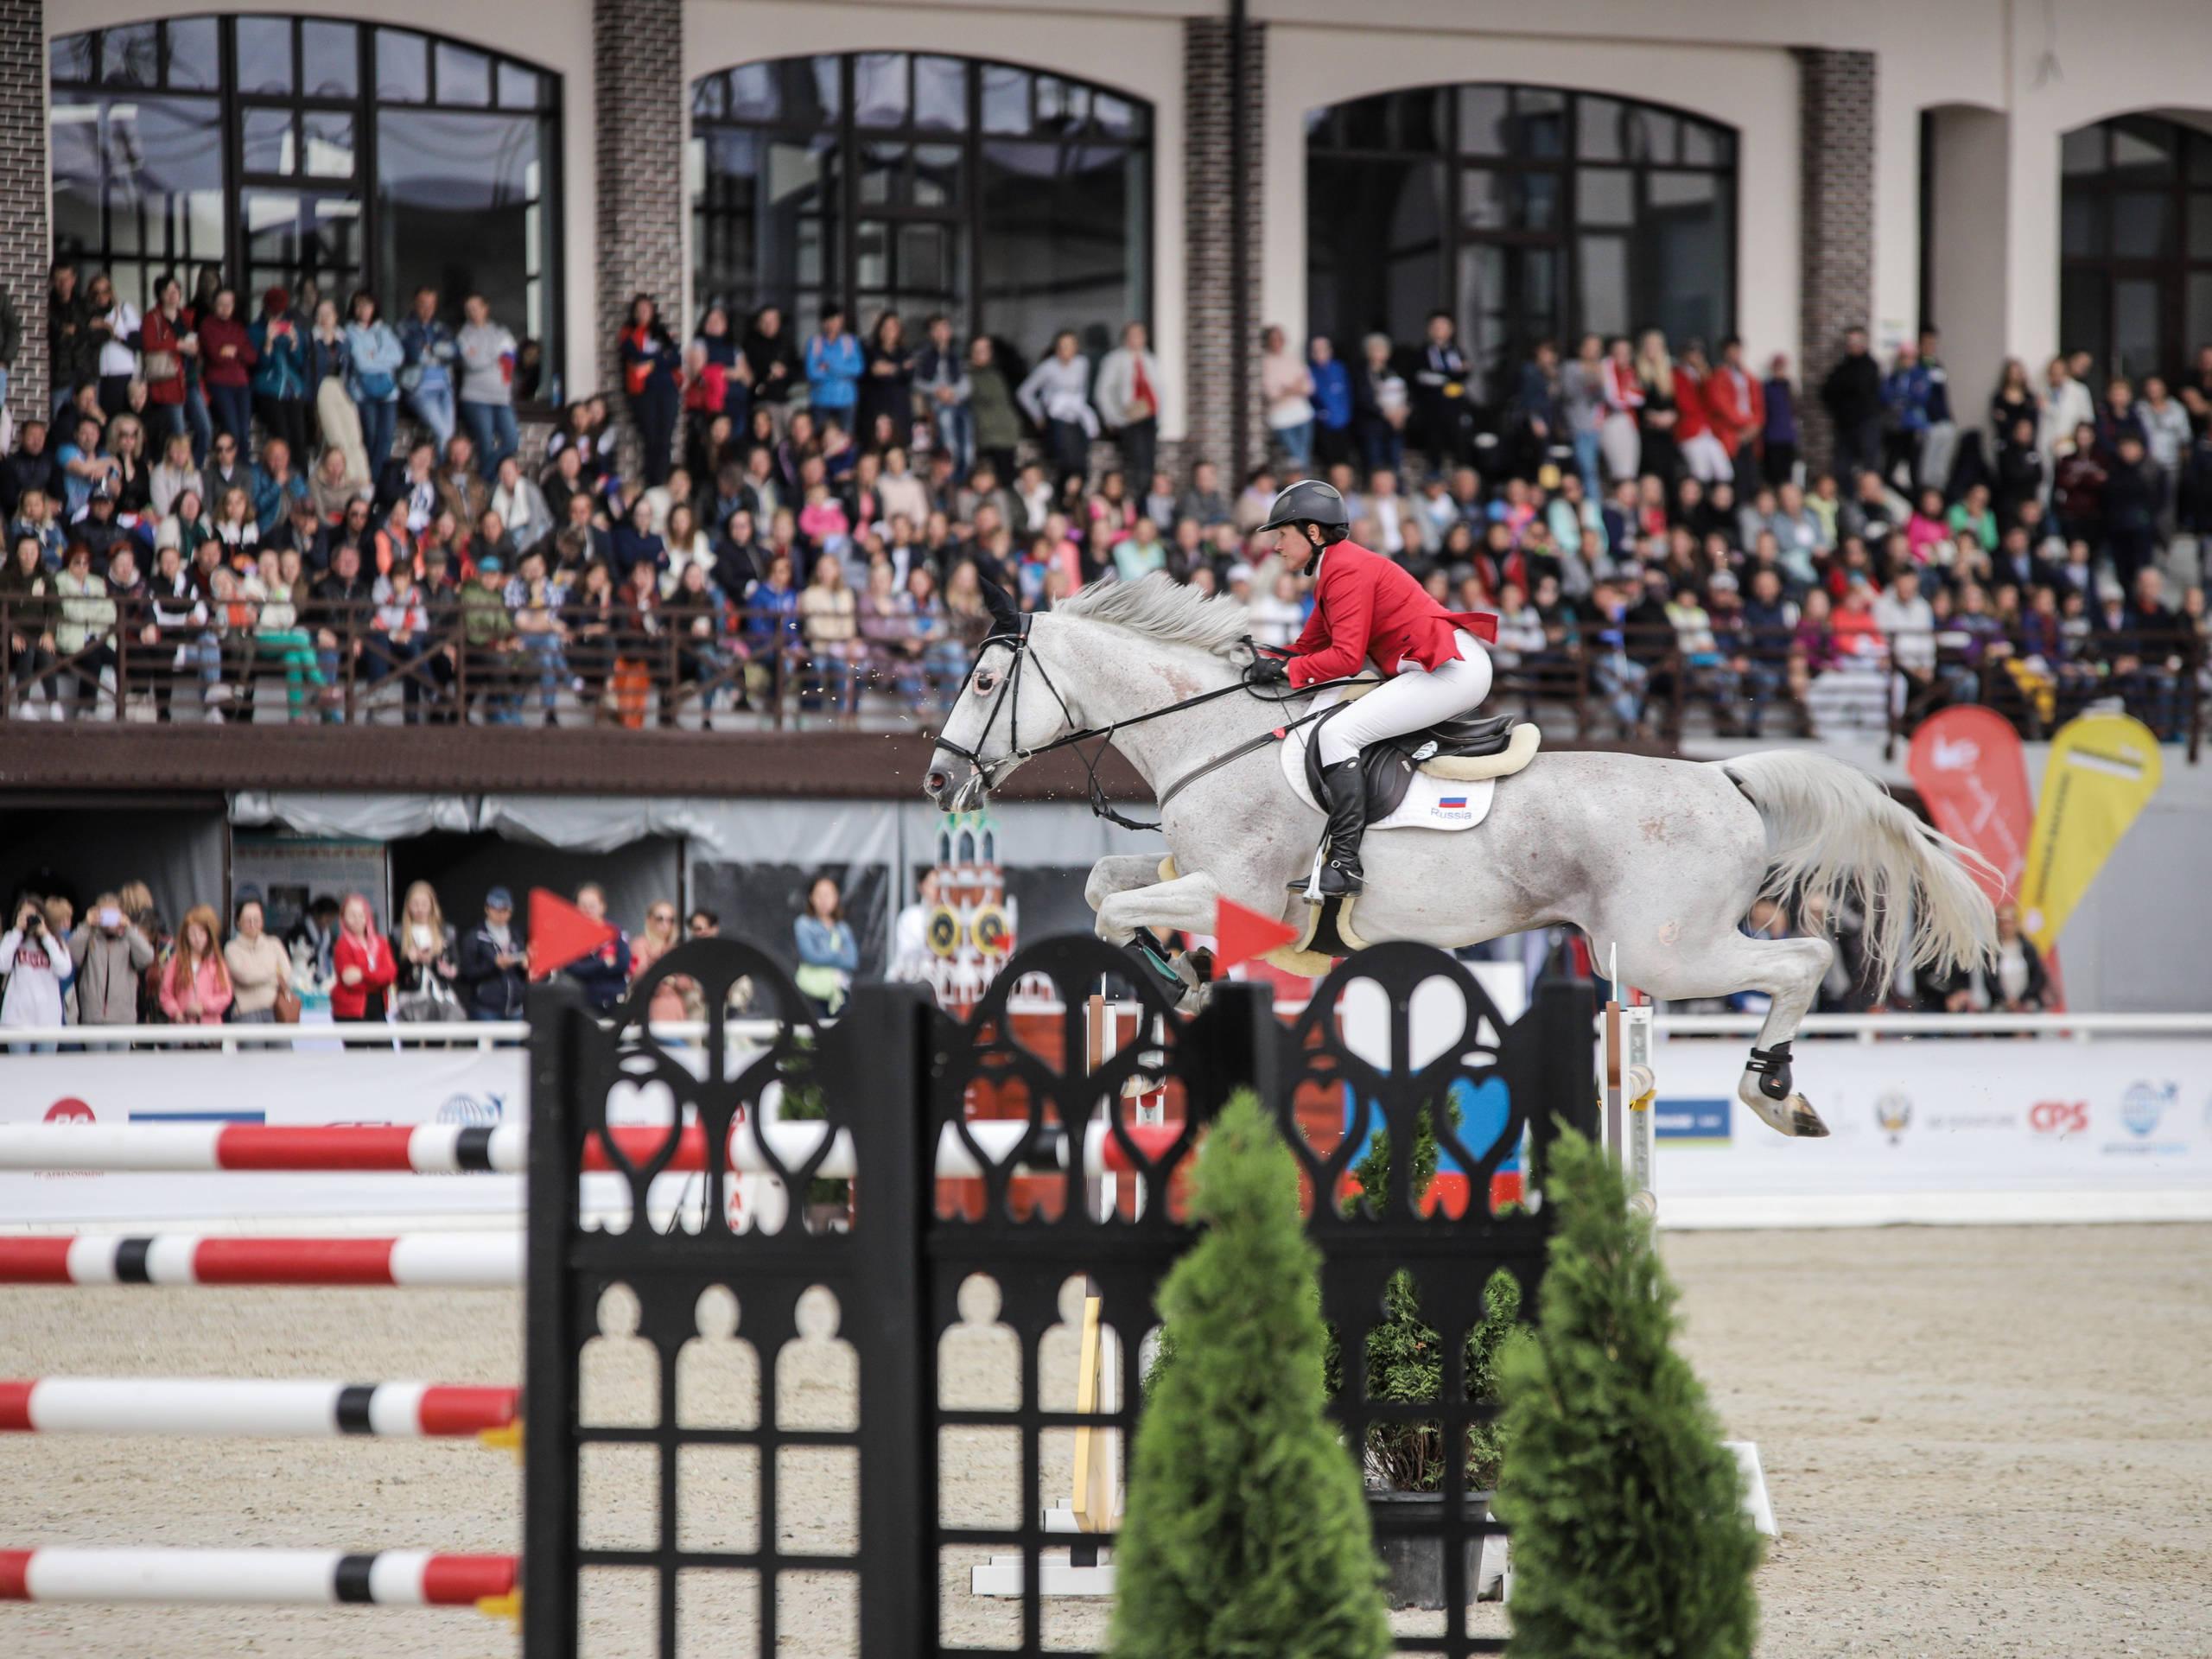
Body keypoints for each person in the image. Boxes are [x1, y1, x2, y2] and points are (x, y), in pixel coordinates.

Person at [1245, 480, 1497, 898]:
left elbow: (1344, 658)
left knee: (1337, 732)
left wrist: (1286, 671)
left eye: (1282, 534)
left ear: (1312, 532)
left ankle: (1344, 864)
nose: (1276, 546)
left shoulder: (1345, 569)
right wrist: (1260, 659)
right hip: (1435, 667)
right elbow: (1307, 649)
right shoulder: (1334, 569)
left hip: (1449, 671)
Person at [1017, 330, 1097, 488]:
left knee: (1081, 466)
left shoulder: (1082, 364)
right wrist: (1038, 416)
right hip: (1056, 418)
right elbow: (1024, 392)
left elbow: (1083, 390)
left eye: (1070, 346)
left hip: (1076, 419)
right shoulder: (1047, 367)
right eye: (1062, 346)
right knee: (1066, 463)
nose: (1066, 350)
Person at [344, 290, 404, 484]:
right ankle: (370, 479)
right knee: (370, 437)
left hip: (388, 392)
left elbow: (399, 357)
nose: (363, 310)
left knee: (386, 437)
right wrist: (382, 359)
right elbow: (361, 364)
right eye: (359, 305)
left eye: (367, 305)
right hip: (363, 393)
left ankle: (375, 481)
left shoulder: (384, 331)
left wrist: (374, 357)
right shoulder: (349, 332)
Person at [457, 294, 518, 481]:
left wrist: (484, 355)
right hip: (475, 398)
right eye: (468, 310)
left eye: (476, 308)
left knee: (511, 441)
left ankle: (482, 479)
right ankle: (487, 486)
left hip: (501, 398)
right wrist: (495, 355)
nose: (472, 313)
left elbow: (510, 358)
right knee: (485, 444)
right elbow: (471, 363)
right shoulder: (463, 335)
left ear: (485, 308)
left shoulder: (500, 332)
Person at [1094, 321, 1160, 490]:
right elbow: (1103, 392)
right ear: (1125, 339)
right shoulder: (1114, 359)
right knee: (1138, 465)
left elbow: (1159, 389)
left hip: (1149, 417)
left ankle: (1145, 504)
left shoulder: (1150, 360)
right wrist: (1112, 417)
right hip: (1129, 418)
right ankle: (1138, 507)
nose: (1137, 339)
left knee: (1149, 463)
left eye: (1140, 335)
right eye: (1133, 335)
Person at [70, 892, 153, 1027]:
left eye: (113, 915)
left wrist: (129, 928)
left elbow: (147, 958)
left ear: (121, 914)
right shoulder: (89, 937)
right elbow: (72, 955)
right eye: (104, 915)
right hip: (93, 1016)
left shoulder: (128, 938)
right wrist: (86, 925)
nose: (109, 921)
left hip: (123, 1016)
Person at [0, 893, 73, 1046]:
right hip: (17, 1019)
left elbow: (64, 970)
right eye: (25, 915)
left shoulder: (55, 941)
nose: (30, 920)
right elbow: (2, 965)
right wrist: (17, 933)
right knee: (20, 1068)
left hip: (48, 1019)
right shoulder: (12, 938)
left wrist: (46, 936)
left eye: (34, 915)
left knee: (46, 1068)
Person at [398, 287, 459, 454]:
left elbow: (455, 351)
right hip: (420, 389)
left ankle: (444, 475)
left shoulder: (440, 328)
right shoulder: (404, 327)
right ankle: (442, 477)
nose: (427, 309)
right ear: (414, 304)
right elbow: (414, 355)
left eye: (432, 305)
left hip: (445, 388)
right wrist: (438, 352)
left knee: (449, 435)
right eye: (423, 304)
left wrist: (430, 349)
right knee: (443, 433)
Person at [455, 887, 529, 1020]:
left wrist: (524, 967)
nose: (501, 915)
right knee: (487, 1041)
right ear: (487, 909)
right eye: (496, 909)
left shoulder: (516, 936)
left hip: (514, 1008)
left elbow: (523, 974)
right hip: (486, 1009)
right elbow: (465, 974)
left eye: (505, 910)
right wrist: (494, 965)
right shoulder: (475, 937)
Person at [390, 880, 460, 1020]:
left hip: (439, 998)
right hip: (410, 999)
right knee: (412, 1039)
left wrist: (436, 962)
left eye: (424, 904)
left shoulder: (446, 932)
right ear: (408, 906)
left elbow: (455, 967)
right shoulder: (398, 934)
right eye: (415, 904)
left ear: (432, 905)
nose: (420, 909)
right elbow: (393, 972)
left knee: (439, 1038)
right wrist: (409, 961)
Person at [794, 874, 858, 1017]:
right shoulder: (803, 924)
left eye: (828, 895)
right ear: (811, 898)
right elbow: (811, 957)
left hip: (839, 992)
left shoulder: (843, 928)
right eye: (819, 895)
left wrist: (823, 954)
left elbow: (851, 961)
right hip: (811, 992)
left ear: (836, 898)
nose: (824, 900)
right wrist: (837, 954)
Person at [157, 904, 232, 1025]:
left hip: (209, 1031)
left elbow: (225, 995)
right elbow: (165, 994)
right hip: (182, 1029)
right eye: (192, 933)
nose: (197, 938)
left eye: (202, 932)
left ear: (210, 934)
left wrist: (204, 1007)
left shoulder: (217, 962)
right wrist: (175, 1012)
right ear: (185, 935)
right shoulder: (176, 961)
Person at [563, 883, 632, 1010]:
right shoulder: (571, 938)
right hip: (583, 1004)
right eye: (583, 905)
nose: (588, 910)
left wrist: (589, 967)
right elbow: (573, 969)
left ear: (602, 907)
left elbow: (623, 963)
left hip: (614, 1002)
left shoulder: (615, 933)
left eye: (592, 905)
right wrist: (603, 964)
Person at [224, 897, 292, 1023]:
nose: (252, 923)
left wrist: (257, 976)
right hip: (247, 1012)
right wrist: (273, 974)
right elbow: (245, 977)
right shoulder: (231, 949)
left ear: (262, 921)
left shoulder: (274, 944)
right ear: (238, 922)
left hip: (276, 1008)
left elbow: (286, 974)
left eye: (256, 919)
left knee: (283, 1044)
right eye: (247, 920)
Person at [330, 893, 396, 1021]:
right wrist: (377, 979)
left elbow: (390, 975)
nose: (357, 919)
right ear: (343, 918)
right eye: (352, 915)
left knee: (385, 1042)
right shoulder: (342, 946)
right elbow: (350, 982)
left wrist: (362, 974)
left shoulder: (381, 943)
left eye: (361, 914)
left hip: (378, 1005)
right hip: (349, 1010)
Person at [1260, 324, 1315, 472]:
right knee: (1297, 456)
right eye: (1273, 339)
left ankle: (1304, 486)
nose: (1276, 342)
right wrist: (1294, 387)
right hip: (1280, 418)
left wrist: (1287, 388)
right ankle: (1304, 486)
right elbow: (1271, 393)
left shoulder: (1293, 359)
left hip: (1302, 414)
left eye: (1279, 339)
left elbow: (1309, 386)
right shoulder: (1265, 363)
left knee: (1303, 456)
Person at [804, 302, 861, 429]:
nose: (832, 324)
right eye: (828, 321)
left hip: (846, 400)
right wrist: (843, 369)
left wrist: (829, 366)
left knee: (845, 439)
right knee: (820, 438)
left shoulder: (850, 342)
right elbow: (811, 373)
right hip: (821, 401)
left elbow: (857, 369)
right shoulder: (814, 343)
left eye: (835, 319)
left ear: (841, 320)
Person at [888, 868, 939, 982]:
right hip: (914, 982)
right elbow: (907, 953)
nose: (937, 889)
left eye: (940, 885)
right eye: (932, 884)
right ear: (921, 886)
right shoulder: (910, 917)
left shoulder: (954, 918)